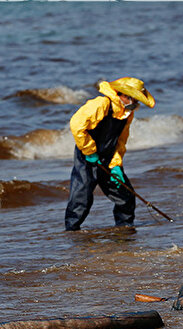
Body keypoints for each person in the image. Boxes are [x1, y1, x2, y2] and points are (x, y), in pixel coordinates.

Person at [65, 77, 155, 231]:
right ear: (124, 96)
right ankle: (72, 232)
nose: (137, 105)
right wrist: (89, 151)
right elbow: (77, 124)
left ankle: (125, 230)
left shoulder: (127, 114)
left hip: (108, 157)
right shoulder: (101, 104)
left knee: (125, 195)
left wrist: (116, 164)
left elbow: (120, 141)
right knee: (82, 197)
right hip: (87, 157)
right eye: (135, 100)